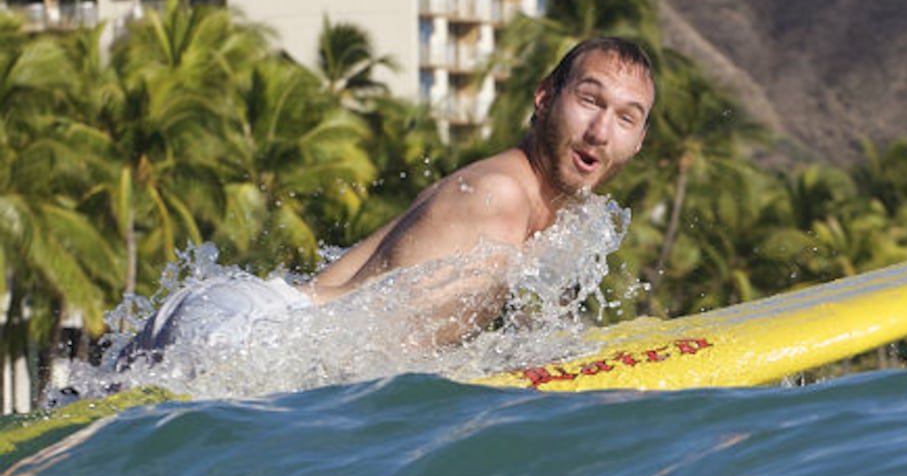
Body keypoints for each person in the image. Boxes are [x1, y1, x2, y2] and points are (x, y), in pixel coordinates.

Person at [115, 36, 656, 369]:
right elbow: (392, 350)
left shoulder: (562, 212)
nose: (600, 131)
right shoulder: (503, 197)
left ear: (639, 141)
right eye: (589, 101)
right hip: (246, 335)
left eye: (625, 117)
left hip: (251, 316)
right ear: (545, 98)